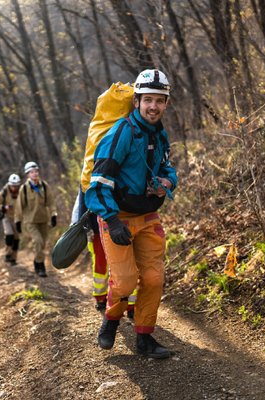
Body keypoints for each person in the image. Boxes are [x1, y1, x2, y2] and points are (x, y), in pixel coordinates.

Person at [85, 69, 178, 359]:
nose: (153, 106)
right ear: (136, 101)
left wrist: (167, 182)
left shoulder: (159, 133)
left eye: (159, 101)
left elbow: (166, 167)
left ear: (166, 104)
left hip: (148, 216)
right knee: (125, 282)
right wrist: (111, 220)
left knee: (153, 279)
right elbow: (98, 184)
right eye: (147, 99)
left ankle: (145, 339)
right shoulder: (121, 133)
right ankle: (111, 320)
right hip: (117, 217)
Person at [15, 161, 57, 277]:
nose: (35, 174)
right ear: (28, 174)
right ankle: (40, 266)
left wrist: (54, 215)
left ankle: (36, 261)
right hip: (31, 221)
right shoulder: (24, 189)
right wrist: (17, 221)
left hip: (43, 220)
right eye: (32, 172)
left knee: (42, 244)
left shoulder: (44, 185)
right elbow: (19, 206)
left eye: (36, 171)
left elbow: (51, 202)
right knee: (37, 241)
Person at [0, 173, 22, 264]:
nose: (14, 188)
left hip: (17, 217)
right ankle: (7, 253)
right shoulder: (4, 192)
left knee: (16, 239)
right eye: (12, 186)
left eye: (16, 186)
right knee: (9, 234)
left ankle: (13, 258)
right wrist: (4, 207)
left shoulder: (22, 192)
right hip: (6, 216)